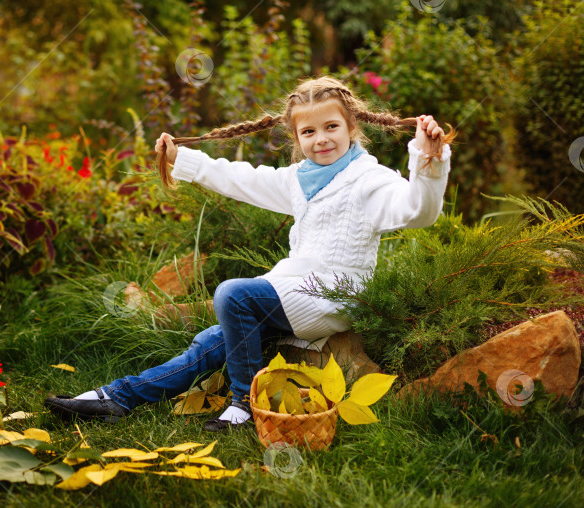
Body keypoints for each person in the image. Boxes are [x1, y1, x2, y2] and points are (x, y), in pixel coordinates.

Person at [45, 75, 455, 432]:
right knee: (207, 345)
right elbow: (240, 178)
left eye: (331, 126)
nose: (321, 139)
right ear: (296, 138)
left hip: (336, 292)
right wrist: (180, 157)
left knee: (232, 294)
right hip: (292, 289)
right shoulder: (300, 178)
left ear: (352, 127)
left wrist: (428, 160)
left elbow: (418, 211)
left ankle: (244, 401)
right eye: (308, 133)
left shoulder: (370, 180)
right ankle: (116, 398)